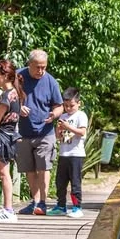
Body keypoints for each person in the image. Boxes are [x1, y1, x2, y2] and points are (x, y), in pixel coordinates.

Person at [15, 49, 64, 215]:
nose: (41, 70)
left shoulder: (51, 81)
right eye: (37, 67)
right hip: (22, 133)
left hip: (45, 132)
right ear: (29, 64)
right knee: (29, 169)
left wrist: (54, 114)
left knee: (44, 167)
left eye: (44, 67)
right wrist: (18, 108)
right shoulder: (17, 77)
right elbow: (6, 98)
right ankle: (34, 201)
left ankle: (43, 202)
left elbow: (59, 105)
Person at [0, 60, 24, 223]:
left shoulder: (5, 97)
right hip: (9, 137)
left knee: (3, 174)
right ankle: (7, 209)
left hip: (1, 138)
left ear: (5, 76)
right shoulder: (15, 93)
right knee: (5, 173)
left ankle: (8, 210)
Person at [48, 87, 88, 218]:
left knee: (75, 182)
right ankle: (61, 206)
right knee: (60, 182)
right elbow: (58, 137)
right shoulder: (63, 116)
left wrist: (68, 126)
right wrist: (59, 130)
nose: (69, 108)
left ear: (78, 103)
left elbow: (82, 132)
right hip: (64, 154)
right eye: (66, 106)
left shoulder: (81, 115)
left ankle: (77, 207)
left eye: (72, 105)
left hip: (76, 154)